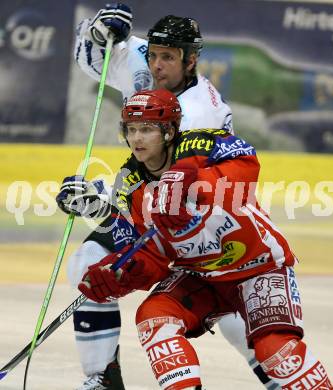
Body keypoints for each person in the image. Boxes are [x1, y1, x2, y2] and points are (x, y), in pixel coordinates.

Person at [63, 3, 274, 389]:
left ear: (191, 61)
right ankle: (102, 379)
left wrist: (98, 204)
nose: (158, 66)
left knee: (230, 308)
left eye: (169, 58)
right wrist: (98, 32)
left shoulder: (198, 115)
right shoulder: (149, 59)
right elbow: (92, 58)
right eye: (155, 55)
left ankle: (280, 375)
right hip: (162, 210)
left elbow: (162, 204)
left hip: (203, 215)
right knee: (87, 264)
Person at [75, 89, 333, 390]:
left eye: (146, 129)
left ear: (169, 130)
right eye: (131, 130)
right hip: (200, 277)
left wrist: (194, 183)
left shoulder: (203, 143)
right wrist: (120, 275)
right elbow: (153, 253)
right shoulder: (129, 183)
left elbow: (248, 167)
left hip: (258, 266)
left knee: (274, 349)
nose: (137, 139)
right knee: (154, 317)